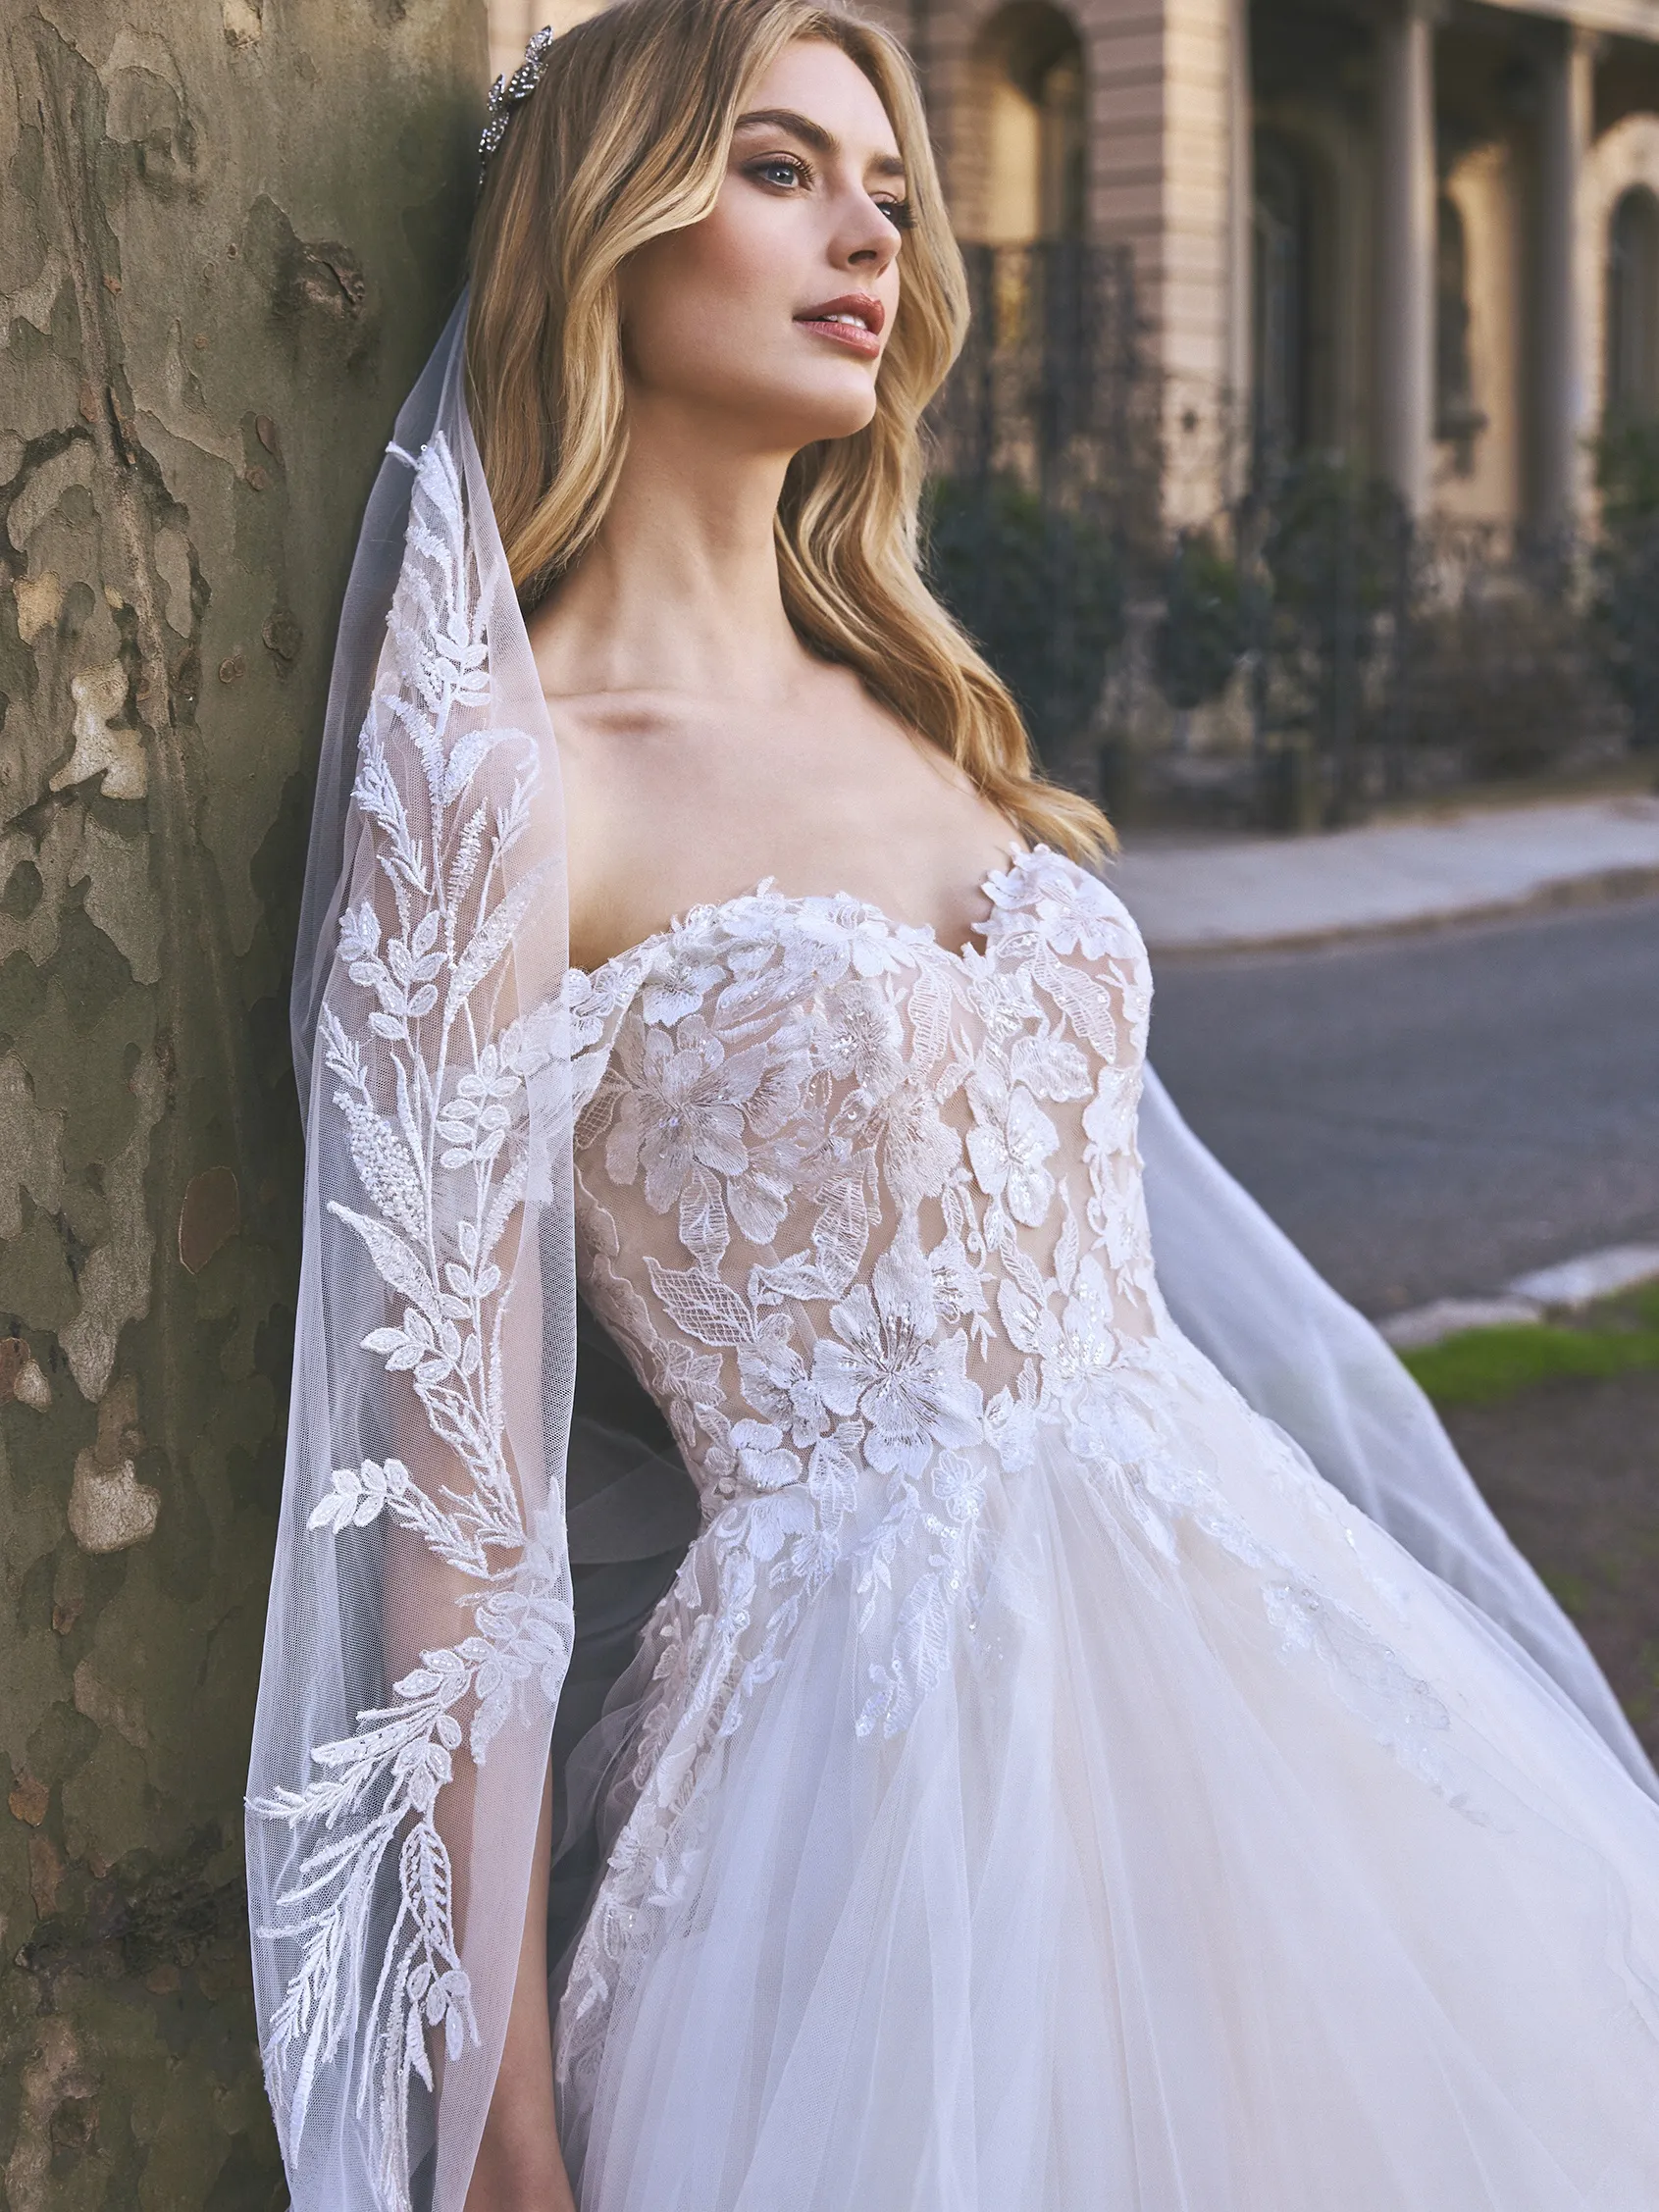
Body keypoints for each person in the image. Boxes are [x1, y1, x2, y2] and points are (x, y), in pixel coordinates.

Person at [246, 3, 1659, 2208]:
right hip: (872, 1776)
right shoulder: (508, 781)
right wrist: (491, 2113)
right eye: (783, 169)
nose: (869, 236)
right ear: (605, 222)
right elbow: (453, 1514)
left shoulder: (921, 700)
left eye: (891, 188)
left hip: (1250, 1670)